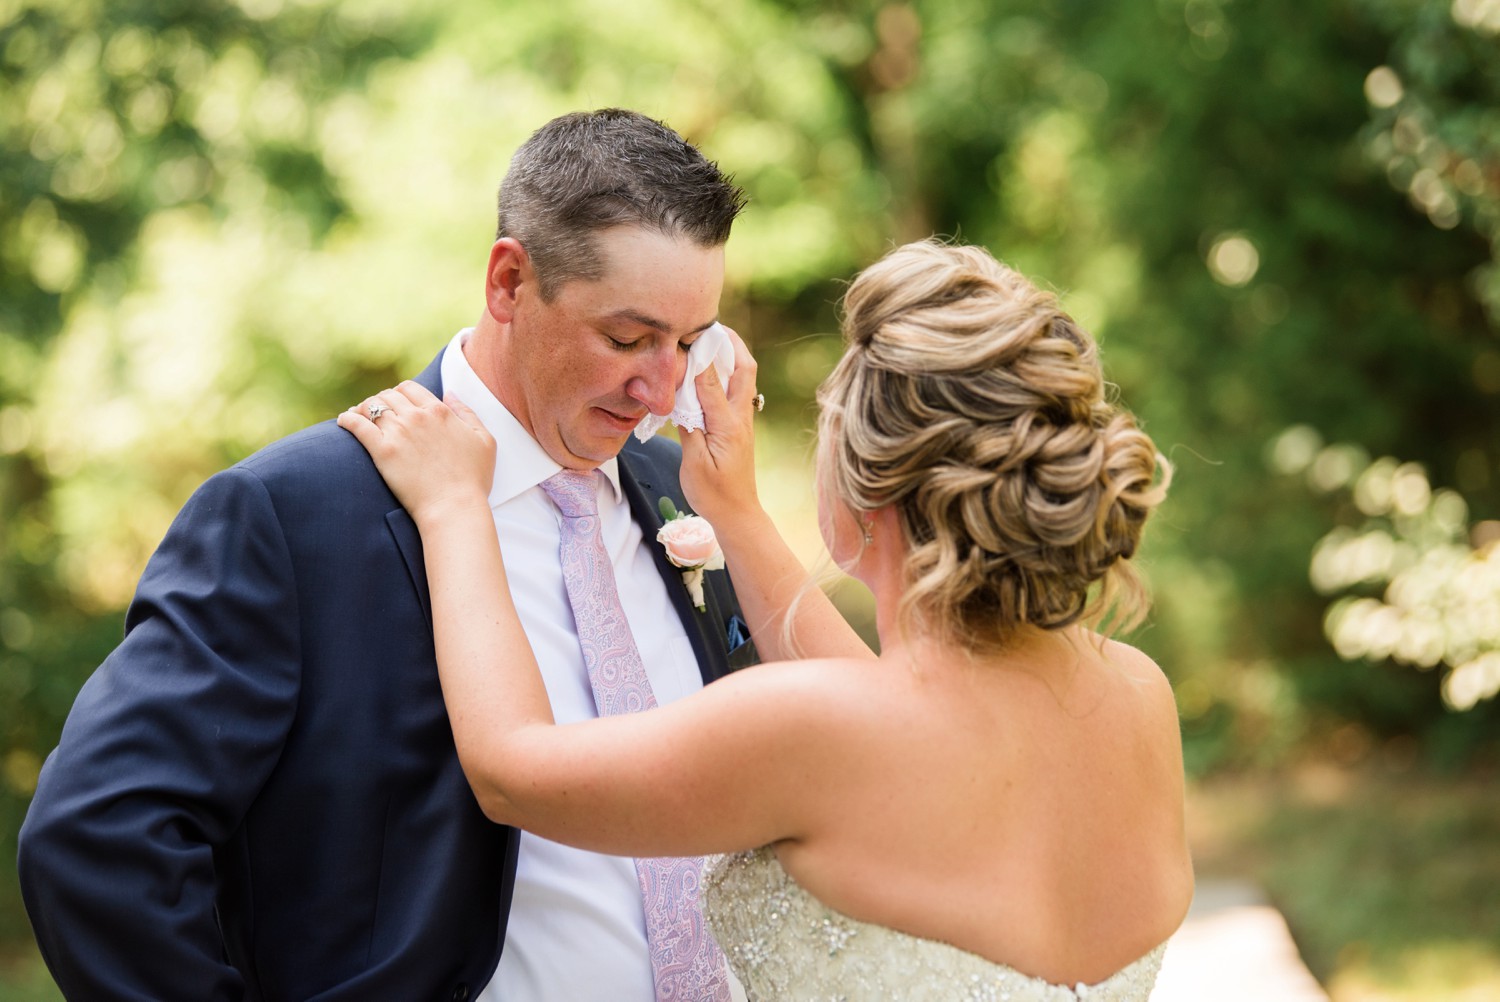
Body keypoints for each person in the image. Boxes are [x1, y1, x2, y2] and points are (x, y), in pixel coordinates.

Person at [18, 108, 758, 1001]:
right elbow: (96, 837)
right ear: (509, 282)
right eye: (628, 338)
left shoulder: (683, 489)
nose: (662, 387)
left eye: (688, 341)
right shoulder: (295, 516)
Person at [338, 239, 1195, 1001]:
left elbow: (510, 769)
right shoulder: (1135, 696)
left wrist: (455, 508)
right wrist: (736, 516)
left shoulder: (813, 734)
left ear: (869, 487)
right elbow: (902, 725)